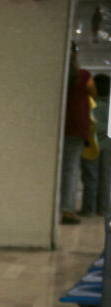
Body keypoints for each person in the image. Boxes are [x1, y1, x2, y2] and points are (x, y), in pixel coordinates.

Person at [61, 43, 97, 224]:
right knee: (70, 169)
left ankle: (52, 208)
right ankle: (66, 210)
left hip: (55, 126)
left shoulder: (55, 73)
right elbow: (94, 94)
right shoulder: (83, 76)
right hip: (76, 127)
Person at [80, 73, 110, 216]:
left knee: (90, 178)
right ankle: (103, 209)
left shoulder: (89, 104)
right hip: (108, 145)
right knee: (106, 178)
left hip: (91, 145)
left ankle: (88, 209)